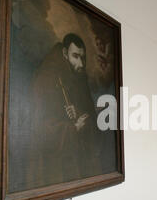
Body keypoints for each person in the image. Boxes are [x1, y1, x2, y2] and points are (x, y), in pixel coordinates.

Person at [26, 33, 102, 189]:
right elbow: (40, 129)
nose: (81, 63)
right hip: (55, 169)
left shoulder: (79, 77)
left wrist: (78, 112)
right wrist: (73, 128)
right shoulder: (46, 78)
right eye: (75, 56)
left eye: (83, 57)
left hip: (78, 162)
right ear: (64, 54)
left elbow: (89, 115)